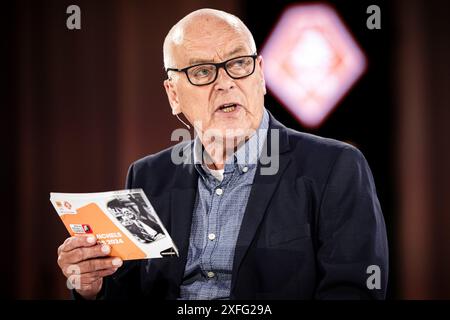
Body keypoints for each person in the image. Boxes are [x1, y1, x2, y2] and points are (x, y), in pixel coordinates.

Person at [56, 8, 388, 300]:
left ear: (260, 75)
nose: (226, 83)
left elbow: (355, 290)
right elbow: (126, 293)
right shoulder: (148, 176)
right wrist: (92, 287)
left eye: (239, 63)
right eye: (202, 71)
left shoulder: (334, 167)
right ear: (173, 95)